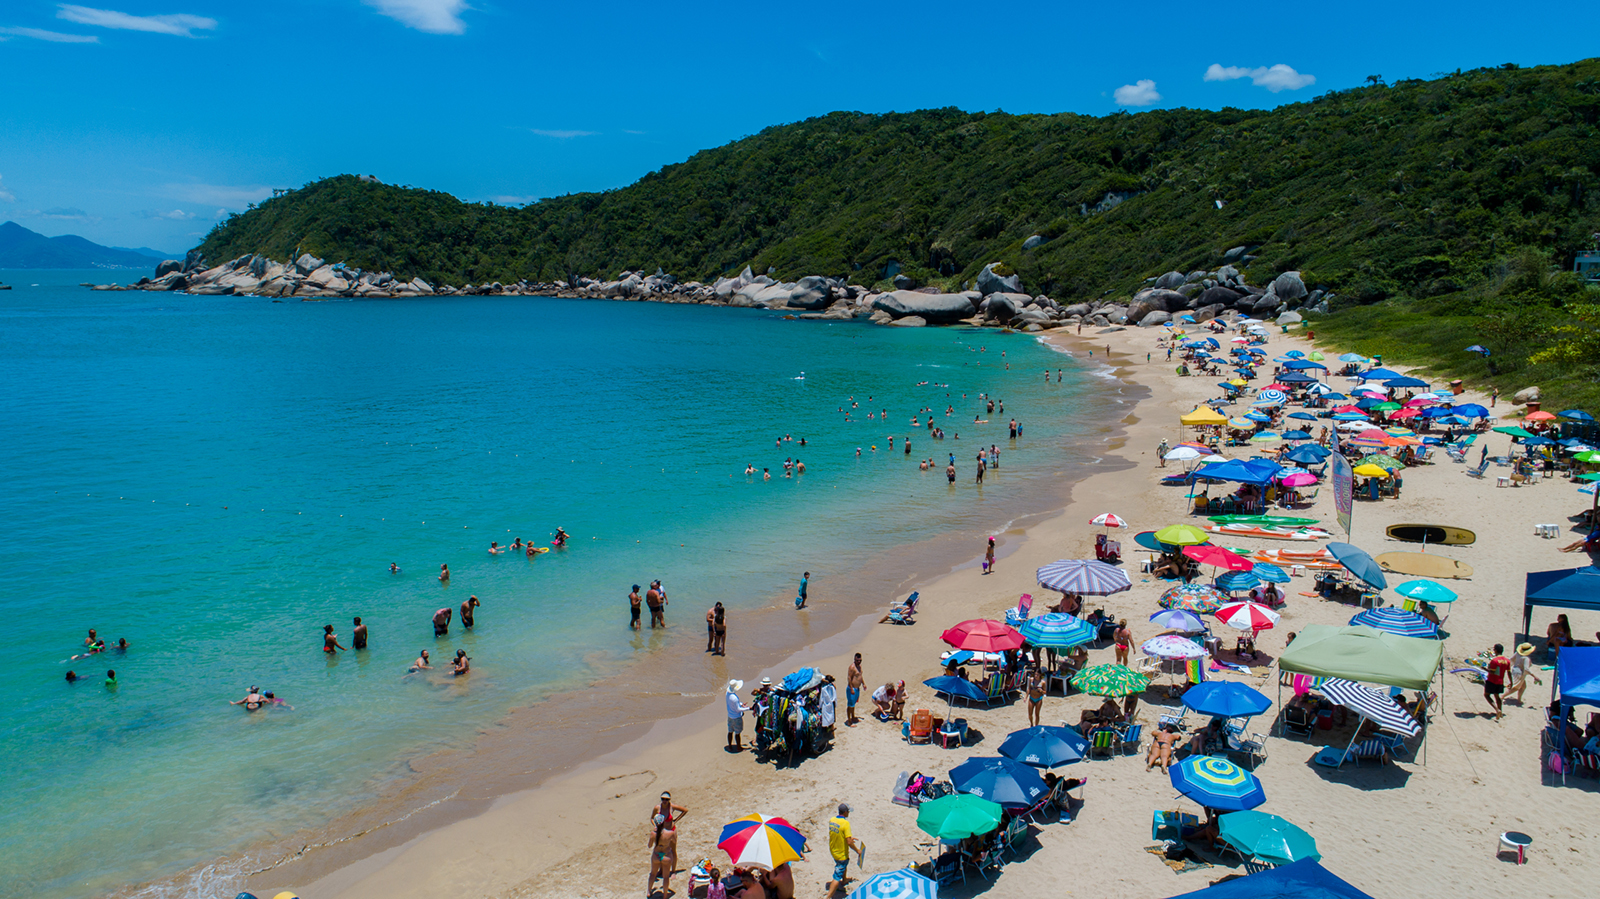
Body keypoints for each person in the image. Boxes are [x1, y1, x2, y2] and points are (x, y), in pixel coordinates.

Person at [825, 804, 863, 899]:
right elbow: (849, 842)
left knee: (844, 864)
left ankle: (845, 880)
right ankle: (828, 897)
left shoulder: (832, 820)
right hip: (841, 853)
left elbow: (838, 833)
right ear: (845, 812)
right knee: (837, 875)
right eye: (848, 811)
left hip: (833, 850)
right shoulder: (845, 824)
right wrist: (857, 850)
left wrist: (848, 837)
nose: (849, 813)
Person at [646, 811, 678, 898]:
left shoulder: (653, 834)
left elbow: (649, 846)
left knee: (653, 874)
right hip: (666, 855)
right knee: (666, 876)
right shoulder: (670, 833)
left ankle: (649, 891)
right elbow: (674, 841)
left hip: (656, 855)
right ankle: (665, 895)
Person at [1484, 644, 1510, 719]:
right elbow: (1509, 672)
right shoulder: (1507, 661)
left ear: (1495, 650)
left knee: (1487, 695)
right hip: (1500, 681)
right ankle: (1500, 711)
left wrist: (1484, 669)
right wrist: (1511, 682)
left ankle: (1497, 709)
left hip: (1492, 680)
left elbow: (1492, 672)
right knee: (1497, 696)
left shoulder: (1494, 660)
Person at [725, 678, 748, 750]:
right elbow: (738, 709)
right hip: (737, 718)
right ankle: (739, 747)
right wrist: (748, 708)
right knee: (737, 733)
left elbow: (734, 704)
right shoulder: (735, 698)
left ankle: (730, 746)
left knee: (730, 732)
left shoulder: (727, 694)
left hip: (730, 717)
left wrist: (741, 704)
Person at [846, 653, 863, 726]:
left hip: (857, 689)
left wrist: (863, 684)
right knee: (850, 705)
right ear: (854, 659)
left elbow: (860, 676)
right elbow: (849, 678)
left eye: (860, 660)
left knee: (853, 704)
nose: (858, 662)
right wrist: (851, 688)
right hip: (852, 689)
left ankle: (853, 717)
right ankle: (849, 721)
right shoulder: (852, 667)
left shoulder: (859, 667)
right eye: (857, 660)